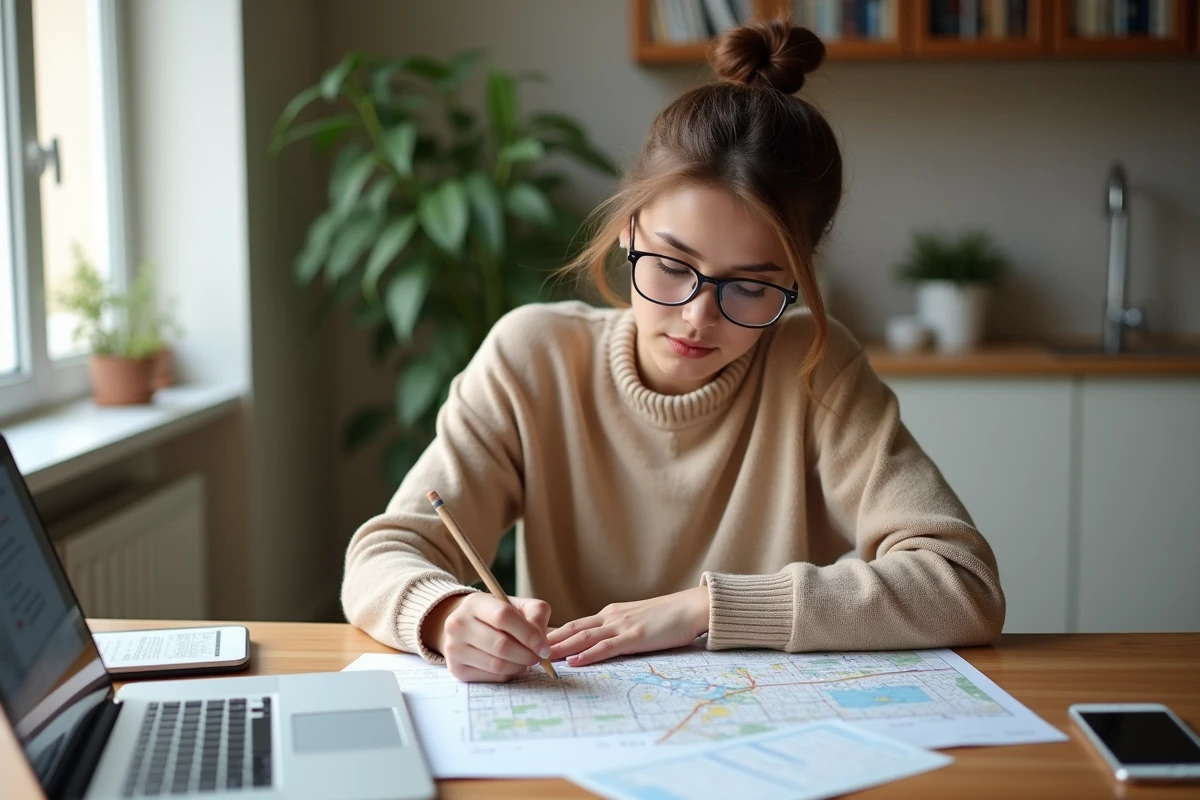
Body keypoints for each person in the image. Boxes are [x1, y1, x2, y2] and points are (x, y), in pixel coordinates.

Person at [342, 19, 1005, 683]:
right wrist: (446, 613)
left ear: (798, 281)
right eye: (670, 263)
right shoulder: (533, 357)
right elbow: (385, 552)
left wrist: (707, 608)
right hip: (574, 725)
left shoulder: (812, 365)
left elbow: (962, 582)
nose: (698, 316)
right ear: (629, 230)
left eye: (750, 286)